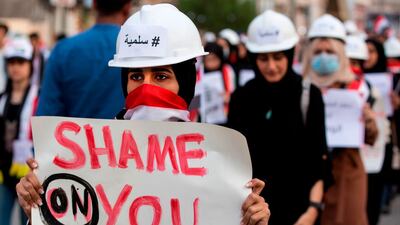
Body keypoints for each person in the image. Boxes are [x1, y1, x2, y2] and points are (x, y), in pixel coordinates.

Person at [16, 4, 270, 225]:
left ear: (186, 82)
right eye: (136, 76)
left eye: (161, 76)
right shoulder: (89, 158)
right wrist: (38, 211)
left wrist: (249, 220)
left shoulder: (219, 161)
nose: (147, 89)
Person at [228, 10, 327, 225]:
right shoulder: (241, 98)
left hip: (301, 213)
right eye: (263, 58)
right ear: (254, 59)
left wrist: (311, 212)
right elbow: (233, 162)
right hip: (252, 214)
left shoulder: (310, 95)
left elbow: (318, 161)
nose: (271, 66)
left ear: (290, 55)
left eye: (278, 57)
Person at [302, 14, 378, 225]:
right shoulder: (300, 86)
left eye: (330, 52)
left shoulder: (359, 87)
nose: (324, 57)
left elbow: (372, 139)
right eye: (318, 52)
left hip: (346, 171)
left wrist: (370, 122)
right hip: (308, 171)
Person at [35, 0, 132, 119]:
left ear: (94, 4)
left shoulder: (63, 50)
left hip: (73, 135)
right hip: (129, 136)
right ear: (127, 7)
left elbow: (47, 115)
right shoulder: (137, 49)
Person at [0, 37, 38, 225]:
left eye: (21, 62)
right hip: (3, 173)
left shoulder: (39, 97)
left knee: (31, 220)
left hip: (29, 175)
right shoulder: (1, 97)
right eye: (12, 62)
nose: (16, 67)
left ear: (30, 65)